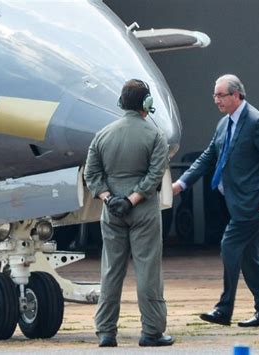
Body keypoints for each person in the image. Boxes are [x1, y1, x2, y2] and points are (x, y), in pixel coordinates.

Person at [172, 74, 259, 327]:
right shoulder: (224, 124)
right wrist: (182, 183)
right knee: (249, 259)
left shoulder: (257, 122)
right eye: (215, 95)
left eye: (221, 95)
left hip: (253, 202)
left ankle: (224, 309)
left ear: (237, 95)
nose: (216, 100)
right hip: (235, 201)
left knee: (229, 245)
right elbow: (207, 156)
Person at [84, 79, 174, 347]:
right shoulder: (155, 136)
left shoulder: (102, 135)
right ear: (147, 104)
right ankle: (152, 331)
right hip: (143, 209)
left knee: (111, 270)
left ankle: (106, 331)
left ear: (122, 102)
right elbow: (156, 173)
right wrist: (132, 199)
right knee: (148, 270)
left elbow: (91, 174)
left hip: (112, 211)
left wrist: (110, 198)